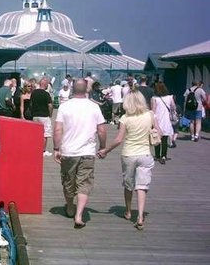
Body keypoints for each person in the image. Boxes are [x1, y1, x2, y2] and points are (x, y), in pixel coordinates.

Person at [97, 91, 159, 230]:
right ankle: (141, 215)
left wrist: (105, 150)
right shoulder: (150, 115)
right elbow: (159, 132)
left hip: (129, 155)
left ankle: (129, 211)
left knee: (128, 184)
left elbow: (119, 139)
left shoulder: (125, 118)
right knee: (142, 186)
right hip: (145, 154)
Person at [53, 79, 107, 228]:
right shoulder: (94, 107)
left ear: (72, 89)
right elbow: (102, 130)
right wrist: (103, 147)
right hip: (87, 151)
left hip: (69, 151)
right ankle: (79, 214)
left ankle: (70, 206)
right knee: (84, 182)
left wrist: (56, 148)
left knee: (68, 180)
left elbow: (58, 130)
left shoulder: (64, 106)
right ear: (87, 90)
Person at [151, 82, 175, 164]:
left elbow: (153, 111)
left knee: (157, 138)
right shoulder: (170, 97)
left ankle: (157, 155)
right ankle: (164, 155)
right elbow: (173, 107)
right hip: (166, 120)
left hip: (157, 120)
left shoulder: (154, 98)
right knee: (165, 139)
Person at [30, 77, 54, 156]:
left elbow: (31, 104)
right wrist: (50, 114)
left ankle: (35, 148)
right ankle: (43, 151)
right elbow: (50, 105)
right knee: (45, 134)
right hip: (44, 116)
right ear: (46, 85)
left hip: (35, 115)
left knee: (35, 133)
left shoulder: (33, 93)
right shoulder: (46, 94)